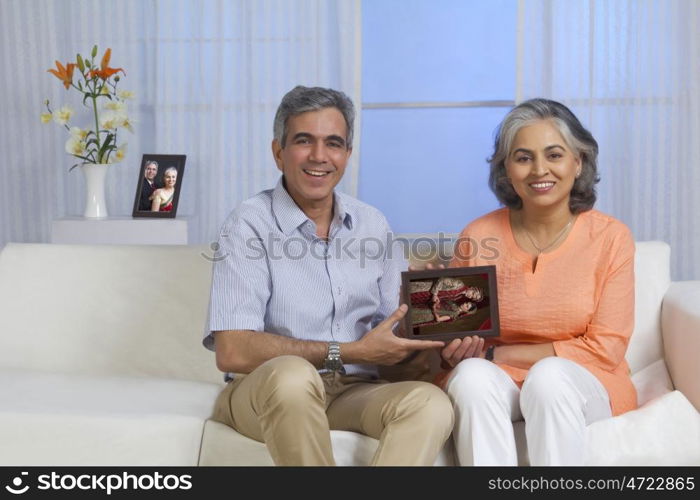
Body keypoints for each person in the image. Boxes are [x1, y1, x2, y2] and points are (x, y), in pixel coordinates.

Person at [203, 85, 454, 466]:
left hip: (354, 391)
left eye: (333, 143)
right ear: (278, 152)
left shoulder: (372, 224)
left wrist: (433, 314)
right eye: (304, 140)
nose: (319, 156)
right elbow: (233, 350)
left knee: (430, 404)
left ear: (347, 155)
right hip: (266, 392)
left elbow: (397, 344)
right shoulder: (248, 224)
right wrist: (349, 352)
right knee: (292, 376)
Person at [439, 98, 636, 466]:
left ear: (578, 163)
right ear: (507, 169)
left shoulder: (612, 238)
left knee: (548, 378)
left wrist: (498, 354)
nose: (539, 170)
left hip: (585, 382)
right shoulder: (479, 234)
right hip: (501, 380)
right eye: (524, 157)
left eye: (554, 155)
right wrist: (453, 350)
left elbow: (605, 349)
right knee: (469, 377)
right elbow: (459, 335)